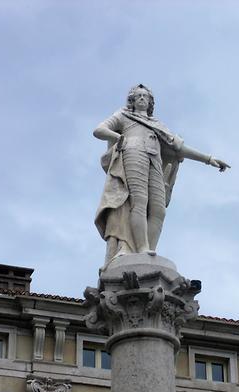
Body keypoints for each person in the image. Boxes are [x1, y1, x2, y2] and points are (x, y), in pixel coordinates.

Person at [93, 84, 230, 265]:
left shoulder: (158, 125)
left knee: (158, 209)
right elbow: (99, 130)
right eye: (138, 96)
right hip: (133, 152)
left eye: (145, 97)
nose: (142, 99)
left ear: (150, 102)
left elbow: (178, 147)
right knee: (139, 201)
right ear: (132, 101)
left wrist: (208, 158)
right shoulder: (123, 116)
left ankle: (148, 250)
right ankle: (141, 249)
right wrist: (119, 138)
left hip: (154, 159)